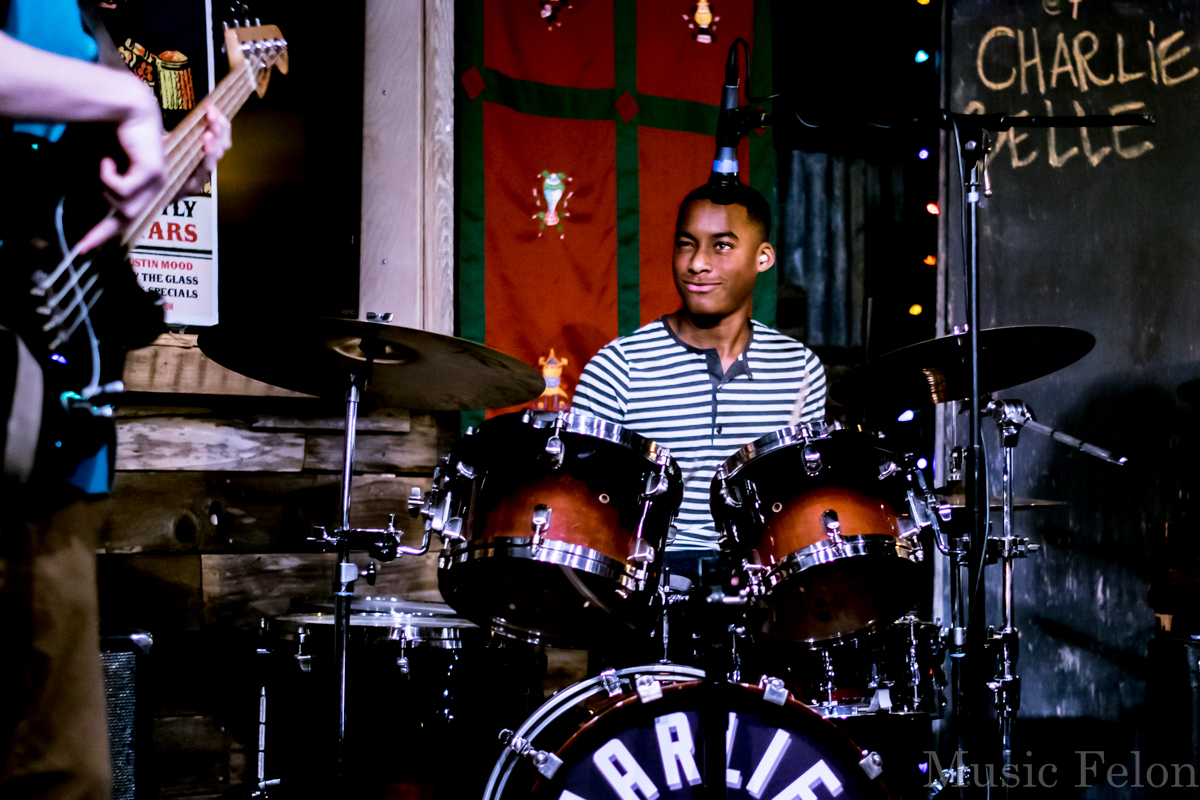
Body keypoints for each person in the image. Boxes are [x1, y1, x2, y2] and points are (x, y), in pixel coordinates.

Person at [0, 2, 231, 797]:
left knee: (65, 777)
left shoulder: (81, 26)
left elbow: (72, 217)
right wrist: (130, 98)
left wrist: (172, 168)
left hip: (57, 457)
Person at [572, 182, 826, 583]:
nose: (697, 263)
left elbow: (801, 500)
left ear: (762, 257)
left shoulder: (800, 368)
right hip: (646, 588)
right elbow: (583, 511)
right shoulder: (618, 366)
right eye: (686, 245)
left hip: (761, 585)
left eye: (721, 246)